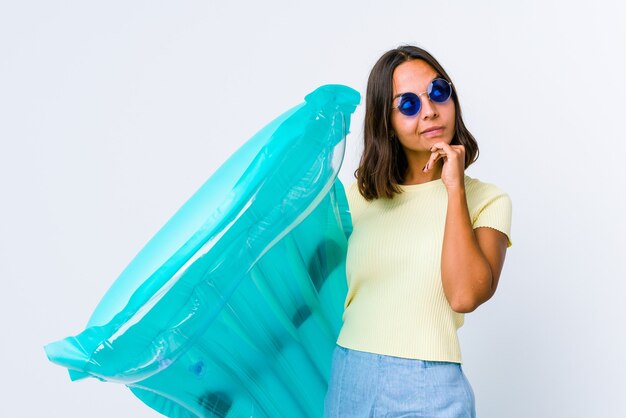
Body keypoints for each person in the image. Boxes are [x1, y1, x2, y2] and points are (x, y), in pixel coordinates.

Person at [323, 45, 512, 417]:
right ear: (386, 122)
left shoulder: (487, 200)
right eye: (407, 105)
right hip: (349, 378)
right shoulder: (358, 199)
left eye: (438, 92)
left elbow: (464, 296)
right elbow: (305, 286)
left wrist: (454, 188)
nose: (429, 110)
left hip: (427, 389)